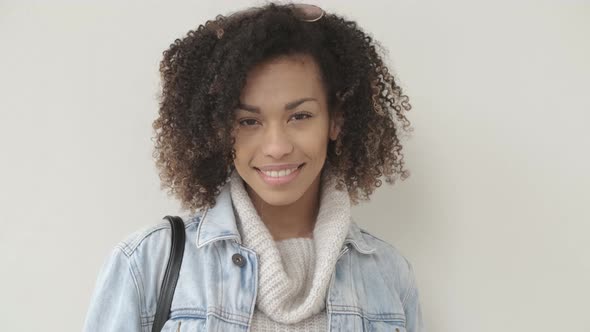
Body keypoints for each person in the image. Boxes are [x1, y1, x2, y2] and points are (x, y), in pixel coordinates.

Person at [83, 2, 424, 331]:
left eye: (300, 116)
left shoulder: (389, 274)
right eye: (248, 121)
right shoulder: (146, 264)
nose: (276, 147)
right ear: (219, 129)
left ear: (335, 121)